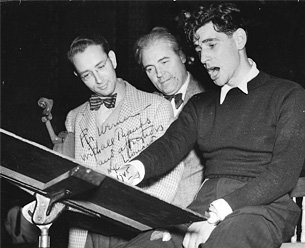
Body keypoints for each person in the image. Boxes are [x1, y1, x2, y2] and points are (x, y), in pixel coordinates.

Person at [110, 3, 305, 248]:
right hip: (205, 204)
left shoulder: (288, 95)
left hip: (262, 207)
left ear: (239, 39)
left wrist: (222, 211)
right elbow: (171, 144)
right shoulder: (200, 104)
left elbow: (283, 173)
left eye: (212, 45)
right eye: (198, 48)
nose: (203, 58)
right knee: (145, 245)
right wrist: (135, 168)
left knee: (227, 239)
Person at [22, 34, 186, 248]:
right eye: (87, 75)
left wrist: (140, 217)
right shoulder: (75, 118)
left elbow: (171, 173)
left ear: (113, 59)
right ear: (78, 76)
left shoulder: (157, 107)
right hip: (86, 232)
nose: (98, 80)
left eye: (101, 66)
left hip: (136, 230)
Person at [134, 26, 206, 207]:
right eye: (150, 69)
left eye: (164, 62)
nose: (159, 74)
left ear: (181, 56)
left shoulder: (209, 102)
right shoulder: (144, 106)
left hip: (188, 211)